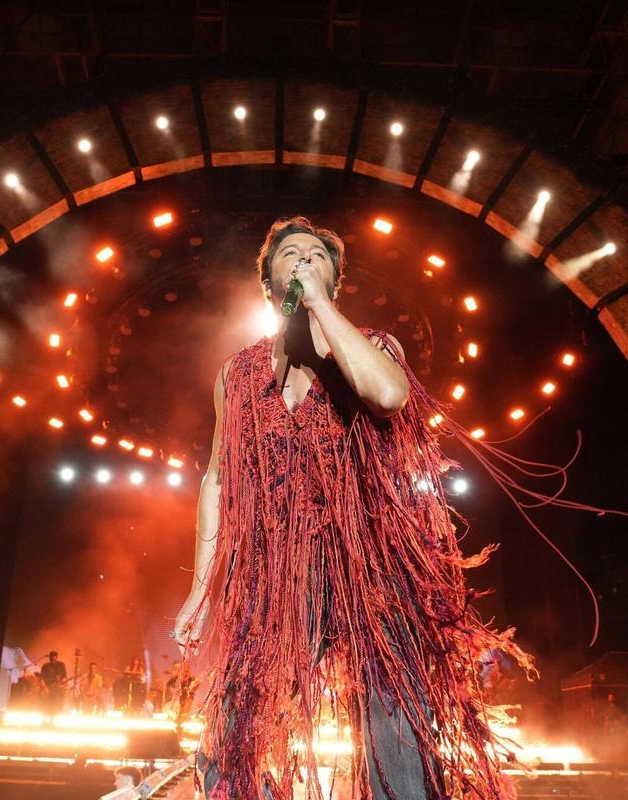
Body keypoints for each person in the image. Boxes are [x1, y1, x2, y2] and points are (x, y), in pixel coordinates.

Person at [171, 217, 535, 799]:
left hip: (368, 565)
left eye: (318, 258)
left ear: (334, 283)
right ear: (268, 285)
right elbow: (218, 479)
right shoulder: (235, 373)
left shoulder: (373, 346)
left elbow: (388, 397)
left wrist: (320, 308)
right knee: (236, 720)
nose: (304, 262)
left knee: (395, 717)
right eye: (291, 255)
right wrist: (200, 589)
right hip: (273, 571)